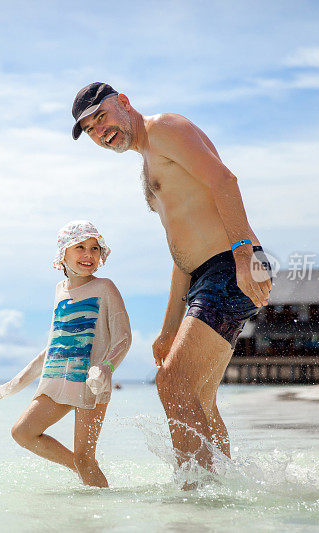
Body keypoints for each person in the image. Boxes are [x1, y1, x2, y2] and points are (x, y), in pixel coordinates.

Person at [71, 82, 273, 473]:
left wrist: (245, 254)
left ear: (124, 103)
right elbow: (180, 254)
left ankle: (196, 498)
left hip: (229, 265)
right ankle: (224, 494)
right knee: (198, 396)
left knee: (171, 384)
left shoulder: (164, 127)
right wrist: (167, 329)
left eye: (102, 116)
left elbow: (224, 181)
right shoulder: (148, 167)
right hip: (203, 277)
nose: (100, 130)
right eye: (91, 129)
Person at [0, 220, 131, 487]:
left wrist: (106, 368)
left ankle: (98, 514)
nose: (88, 255)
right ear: (63, 254)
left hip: (92, 384)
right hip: (58, 380)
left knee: (85, 457)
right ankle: (80, 468)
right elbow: (55, 345)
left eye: (94, 248)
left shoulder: (105, 287)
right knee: (23, 433)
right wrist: (17, 382)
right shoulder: (60, 291)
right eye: (80, 247)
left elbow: (124, 337)